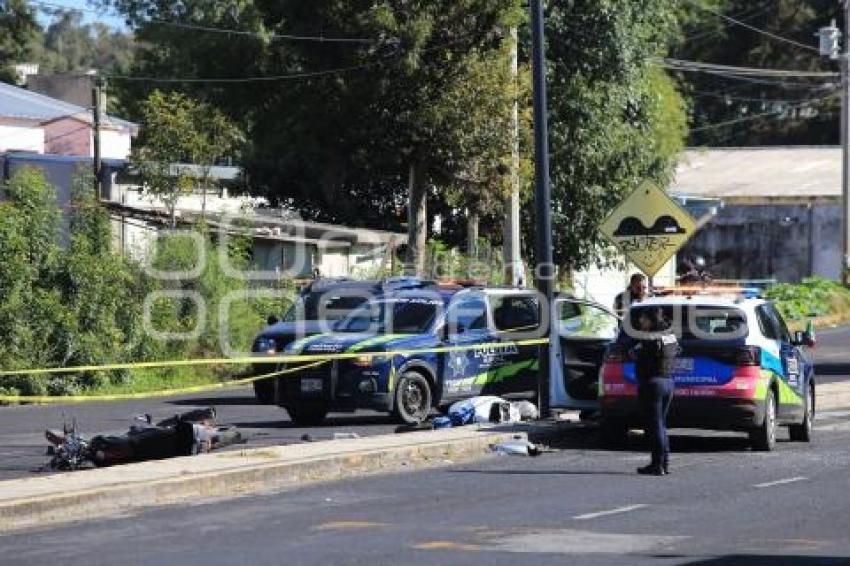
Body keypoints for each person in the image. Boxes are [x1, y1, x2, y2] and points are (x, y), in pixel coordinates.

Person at [630, 307, 678, 476]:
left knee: (654, 425)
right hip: (668, 382)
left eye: (643, 319)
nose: (641, 323)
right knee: (660, 424)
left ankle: (657, 464)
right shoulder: (669, 335)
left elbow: (642, 358)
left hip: (653, 384)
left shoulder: (650, 338)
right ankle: (664, 463)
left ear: (651, 320)